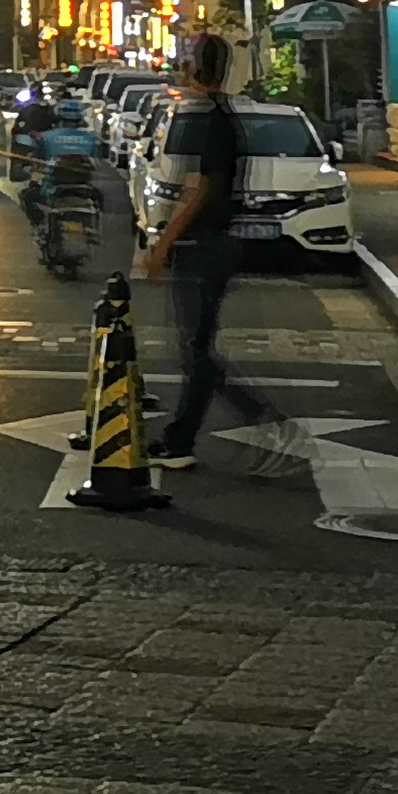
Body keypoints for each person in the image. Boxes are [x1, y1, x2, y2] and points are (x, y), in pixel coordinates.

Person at [136, 31, 280, 474]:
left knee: (196, 349)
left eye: (187, 61)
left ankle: (242, 419)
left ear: (197, 69)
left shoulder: (213, 120)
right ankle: (188, 434)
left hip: (205, 245)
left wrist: (163, 243)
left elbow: (202, 189)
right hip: (212, 243)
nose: (182, 68)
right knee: (196, 347)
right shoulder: (220, 115)